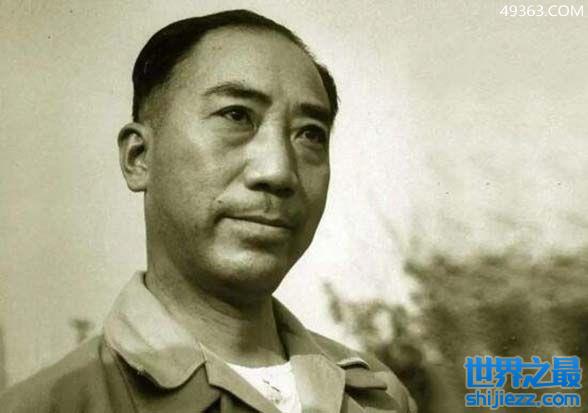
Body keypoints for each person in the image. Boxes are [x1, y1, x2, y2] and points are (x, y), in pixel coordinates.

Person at [0, 9, 416, 413]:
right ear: (138, 157)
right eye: (236, 115)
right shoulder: (52, 405)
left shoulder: (379, 398)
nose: (278, 171)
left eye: (310, 134)